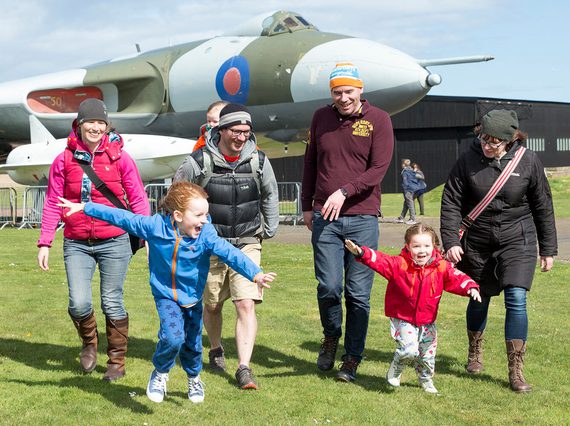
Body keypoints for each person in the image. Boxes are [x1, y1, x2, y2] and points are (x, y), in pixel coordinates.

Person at [56, 182, 277, 403]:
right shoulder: (155, 227)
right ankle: (160, 373)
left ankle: (194, 377)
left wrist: (255, 274)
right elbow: (122, 217)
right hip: (166, 296)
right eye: (199, 215)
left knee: (192, 344)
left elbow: (230, 253)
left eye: (206, 214)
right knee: (173, 338)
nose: (204, 220)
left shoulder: (206, 234)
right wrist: (86, 207)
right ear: (179, 215)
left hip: (192, 298)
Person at [440, 109, 558, 393]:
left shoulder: (528, 161)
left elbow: (543, 206)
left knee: (516, 298)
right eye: (484, 139)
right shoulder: (466, 160)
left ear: (510, 139)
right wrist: (451, 242)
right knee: (479, 298)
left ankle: (516, 371)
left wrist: (548, 248)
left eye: (494, 142)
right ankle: (475, 350)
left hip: (518, 239)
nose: (487, 145)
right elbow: (451, 202)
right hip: (478, 242)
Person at [37, 98, 150, 381]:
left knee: (112, 301)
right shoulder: (64, 159)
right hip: (76, 242)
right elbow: (53, 202)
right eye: (91, 122)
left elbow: (137, 197)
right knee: (78, 303)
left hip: (114, 240)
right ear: (80, 124)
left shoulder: (121, 158)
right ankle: (89, 343)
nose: (96, 127)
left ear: (107, 126)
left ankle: (116, 362)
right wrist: (45, 241)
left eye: (101, 123)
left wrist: (147, 234)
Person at [173, 103, 279, 390]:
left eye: (246, 132)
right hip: (209, 245)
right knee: (212, 304)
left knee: (246, 303)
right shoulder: (198, 161)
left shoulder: (258, 160)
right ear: (222, 129)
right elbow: (177, 195)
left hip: (246, 242)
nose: (242, 137)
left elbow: (269, 191)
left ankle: (244, 367)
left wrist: (269, 227)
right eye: (236, 131)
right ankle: (217, 347)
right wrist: (181, 232)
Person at [301, 62, 394, 382]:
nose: (343, 98)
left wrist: (344, 191)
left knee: (357, 294)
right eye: (337, 92)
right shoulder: (320, 118)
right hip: (325, 220)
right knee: (328, 286)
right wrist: (306, 206)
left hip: (362, 218)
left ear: (361, 90)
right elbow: (311, 163)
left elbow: (378, 169)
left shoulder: (379, 120)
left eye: (349, 92)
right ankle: (330, 337)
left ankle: (352, 357)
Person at [345, 223, 481, 393]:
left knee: (427, 356)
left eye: (426, 246)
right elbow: (380, 260)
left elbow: (456, 278)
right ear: (408, 247)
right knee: (409, 350)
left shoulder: (441, 267)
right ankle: (396, 367)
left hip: (427, 321)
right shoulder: (399, 264)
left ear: (434, 247)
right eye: (416, 246)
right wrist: (362, 252)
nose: (422, 250)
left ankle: (426, 380)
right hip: (403, 319)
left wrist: (471, 287)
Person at [395, 159, 420, 224]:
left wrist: (405, 190)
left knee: (410, 203)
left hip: (408, 190)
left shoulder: (405, 171)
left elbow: (405, 181)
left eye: (402, 163)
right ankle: (401, 217)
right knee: (406, 203)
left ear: (404, 164)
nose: (401, 165)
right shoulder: (411, 170)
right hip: (412, 189)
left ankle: (412, 219)